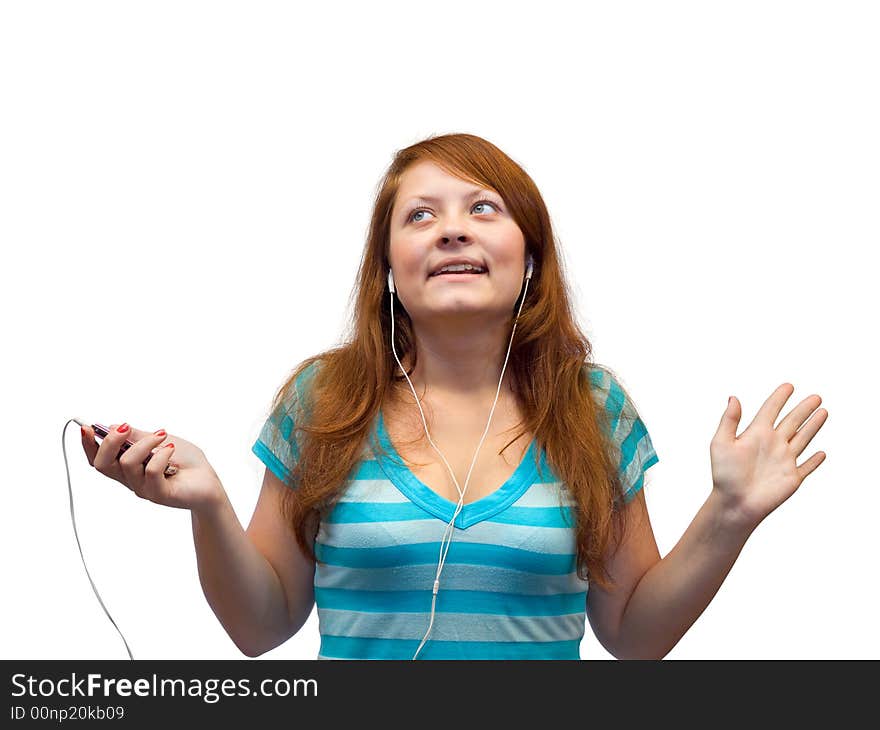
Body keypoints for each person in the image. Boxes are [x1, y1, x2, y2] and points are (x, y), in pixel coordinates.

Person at [80, 132, 828, 660]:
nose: (451, 232)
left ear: (529, 256)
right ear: (389, 269)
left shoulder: (594, 409)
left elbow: (634, 639)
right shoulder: (322, 399)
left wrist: (728, 518)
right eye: (420, 215)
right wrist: (209, 508)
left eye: (483, 209)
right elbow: (261, 627)